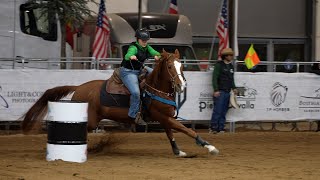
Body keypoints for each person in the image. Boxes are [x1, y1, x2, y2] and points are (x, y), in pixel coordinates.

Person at [120, 28, 161, 124]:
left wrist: (157, 56)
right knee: (135, 93)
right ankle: (133, 115)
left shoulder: (147, 47)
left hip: (139, 70)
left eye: (146, 40)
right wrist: (131, 56)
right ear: (137, 39)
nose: (145, 42)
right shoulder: (133, 47)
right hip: (128, 72)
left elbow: (157, 53)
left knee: (156, 75)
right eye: (143, 40)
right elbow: (127, 55)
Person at [209, 48, 238, 134]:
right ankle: (214, 127)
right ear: (225, 56)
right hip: (220, 91)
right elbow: (214, 78)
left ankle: (220, 127)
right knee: (218, 110)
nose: (231, 57)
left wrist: (234, 88)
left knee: (224, 110)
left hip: (227, 91)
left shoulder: (231, 66)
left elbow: (231, 79)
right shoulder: (219, 65)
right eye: (230, 55)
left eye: (231, 55)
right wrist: (216, 90)